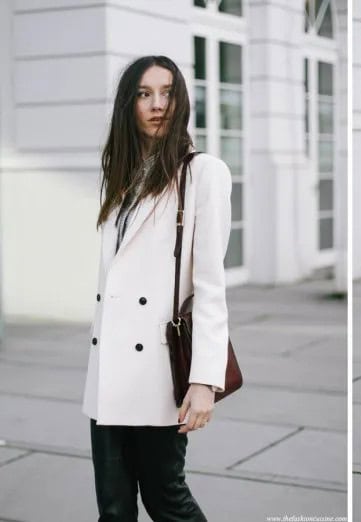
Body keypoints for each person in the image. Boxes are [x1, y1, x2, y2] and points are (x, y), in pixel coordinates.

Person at [82, 55, 232, 521]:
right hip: (108, 369)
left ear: (182, 101)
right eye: (144, 94)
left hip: (158, 372)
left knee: (166, 499)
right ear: (129, 104)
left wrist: (205, 380)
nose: (157, 104)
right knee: (113, 506)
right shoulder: (120, 175)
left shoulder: (202, 172)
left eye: (167, 93)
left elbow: (209, 285)